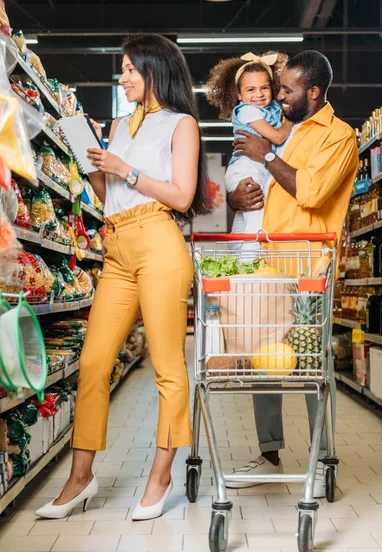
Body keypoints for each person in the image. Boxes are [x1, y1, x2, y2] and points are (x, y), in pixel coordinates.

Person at [36, 33, 209, 520]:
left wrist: (125, 168)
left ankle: (160, 476)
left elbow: (180, 195)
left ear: (155, 71)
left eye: (131, 68)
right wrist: (91, 151)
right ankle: (80, 477)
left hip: (159, 243)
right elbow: (104, 192)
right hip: (116, 247)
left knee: (168, 369)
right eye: (123, 69)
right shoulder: (116, 125)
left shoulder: (182, 125)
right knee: (92, 364)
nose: (123, 77)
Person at [224, 50, 358, 496]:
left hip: (308, 271)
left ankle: (322, 461)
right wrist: (235, 198)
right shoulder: (289, 131)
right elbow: (264, 189)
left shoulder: (338, 137)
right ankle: (269, 454)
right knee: (268, 364)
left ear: (314, 92)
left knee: (308, 368)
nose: (277, 97)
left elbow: (313, 192)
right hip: (269, 265)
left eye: (286, 90)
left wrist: (264, 157)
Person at [207, 51, 291, 246]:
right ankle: (251, 265)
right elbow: (278, 136)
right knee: (256, 220)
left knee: (244, 221)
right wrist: (290, 120)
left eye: (264, 88)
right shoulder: (247, 110)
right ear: (239, 94)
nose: (258, 94)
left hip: (258, 168)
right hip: (246, 168)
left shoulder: (271, 109)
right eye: (250, 90)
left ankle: (236, 261)